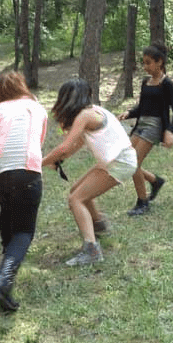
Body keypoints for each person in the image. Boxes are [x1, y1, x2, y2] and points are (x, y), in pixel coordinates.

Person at [42, 78, 137, 266]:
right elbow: (76, 144)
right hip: (117, 160)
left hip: (119, 162)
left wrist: (40, 162)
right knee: (77, 192)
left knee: (75, 199)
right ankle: (99, 225)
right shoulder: (91, 112)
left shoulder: (85, 115)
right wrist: (58, 160)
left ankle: (92, 250)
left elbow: (64, 147)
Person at [0, 71, 47, 311]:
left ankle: (4, 285)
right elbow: (36, 143)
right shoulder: (36, 107)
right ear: (23, 86)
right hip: (26, 169)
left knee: (8, 214)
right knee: (23, 232)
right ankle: (4, 280)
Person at [118, 42, 173, 216]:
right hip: (141, 124)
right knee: (127, 160)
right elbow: (142, 107)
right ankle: (155, 181)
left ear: (159, 62)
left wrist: (170, 131)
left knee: (133, 163)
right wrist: (129, 113)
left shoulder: (166, 84)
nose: (145, 67)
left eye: (148, 62)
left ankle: (143, 202)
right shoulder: (146, 82)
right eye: (143, 63)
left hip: (154, 126)